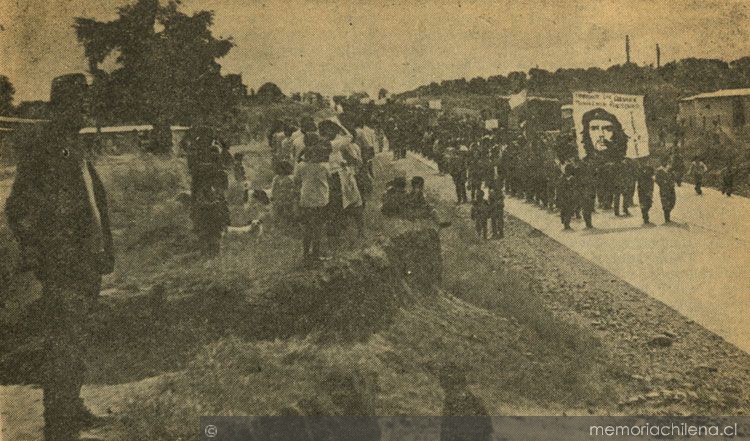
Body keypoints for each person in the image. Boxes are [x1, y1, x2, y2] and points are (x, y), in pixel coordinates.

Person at [5, 79, 114, 441]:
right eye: (80, 103)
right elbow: (18, 208)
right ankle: (59, 423)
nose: (86, 109)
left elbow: (91, 202)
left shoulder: (74, 145)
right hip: (64, 266)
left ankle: (71, 404)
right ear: (63, 105)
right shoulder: (45, 147)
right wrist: (42, 253)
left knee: (77, 338)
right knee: (62, 342)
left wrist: (104, 249)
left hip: (86, 262)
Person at [294, 128, 331, 260]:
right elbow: (329, 178)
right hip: (320, 200)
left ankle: (305, 254)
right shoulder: (324, 166)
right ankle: (315, 254)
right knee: (318, 229)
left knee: (307, 229)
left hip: (306, 200)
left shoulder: (301, 166)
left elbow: (296, 180)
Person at [655, 157, 676, 223]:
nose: (665, 162)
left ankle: (668, 213)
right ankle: (667, 218)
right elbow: (657, 180)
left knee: (673, 201)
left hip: (671, 188)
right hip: (664, 189)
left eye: (666, 161)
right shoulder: (659, 170)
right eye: (663, 161)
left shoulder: (669, 168)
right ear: (661, 162)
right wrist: (662, 183)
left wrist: (672, 182)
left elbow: (673, 176)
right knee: (665, 203)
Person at [558, 161, 577, 230]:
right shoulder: (562, 179)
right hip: (564, 197)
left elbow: (575, 187)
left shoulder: (572, 179)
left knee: (569, 210)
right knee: (565, 210)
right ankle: (565, 222)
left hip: (570, 197)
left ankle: (567, 223)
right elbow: (559, 189)